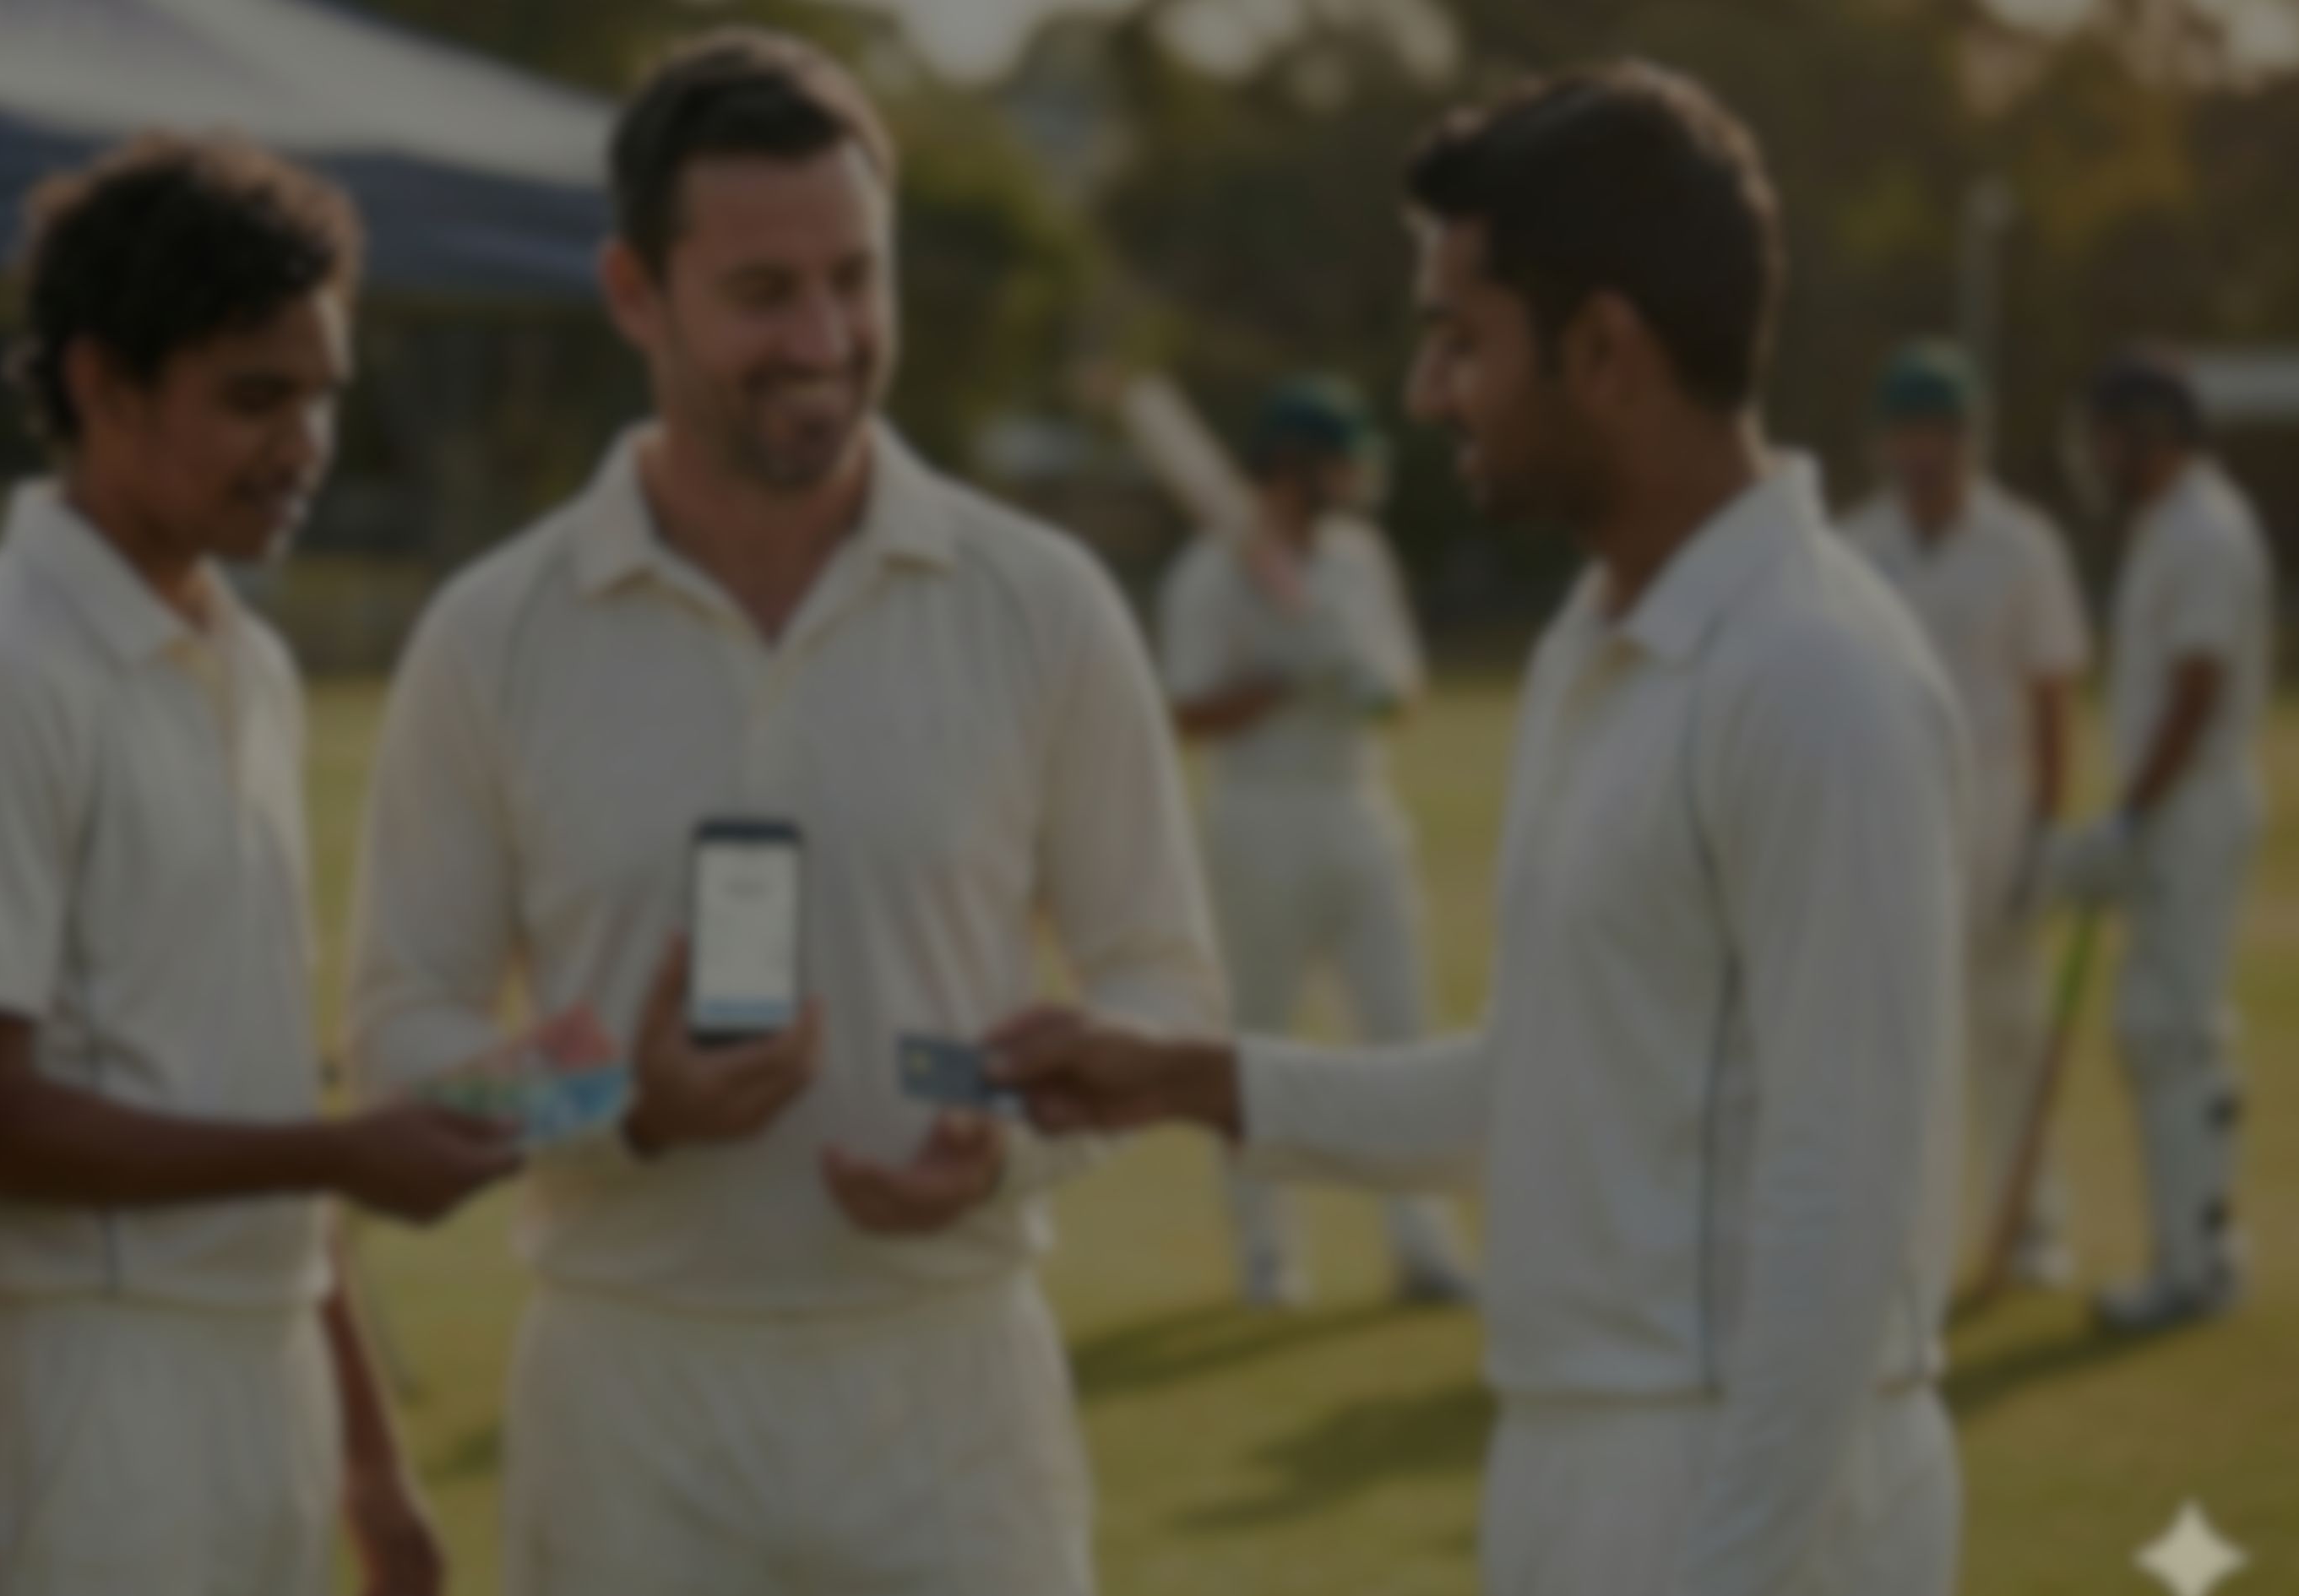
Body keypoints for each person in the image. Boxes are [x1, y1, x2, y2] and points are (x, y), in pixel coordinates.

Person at [990, 62, 1970, 1596]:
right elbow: (1538, 1095)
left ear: (1604, 347)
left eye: (1460, 340)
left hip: (1741, 1481)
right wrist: (1181, 1078)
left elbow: (1839, 1218)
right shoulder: (1593, 649)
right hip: (1578, 1450)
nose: (1427, 392)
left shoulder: (1818, 677)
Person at [345, 30, 1220, 1596]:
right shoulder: (494, 634)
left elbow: (1168, 984)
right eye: (762, 294)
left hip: (953, 1390)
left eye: (855, 279)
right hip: (630, 1404)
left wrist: (1008, 1137)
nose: (823, 337)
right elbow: (402, 1046)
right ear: (635, 294)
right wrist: (619, 1103)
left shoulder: (1046, 604)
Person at [0, 133, 514, 1596]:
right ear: (100, 383)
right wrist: (338, 1154)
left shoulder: (255, 667)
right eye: (252, 397)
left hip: (258, 1380)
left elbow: (265, 1081)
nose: (303, 446)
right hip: (76, 1399)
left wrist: (368, 1458)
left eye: (320, 398)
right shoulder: (0, 673)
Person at [1154, 377, 1475, 1308]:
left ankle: (1424, 1248)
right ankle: (1267, 1257)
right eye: (1337, 460)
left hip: (1360, 808)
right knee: (1258, 1042)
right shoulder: (1209, 573)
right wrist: (1277, 678)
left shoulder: (1359, 558)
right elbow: (1178, 711)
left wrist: (1356, 671)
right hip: (1258, 818)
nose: (1353, 478)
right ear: (1290, 469)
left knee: (1402, 1034)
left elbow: (1404, 696)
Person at [1839, 340, 2092, 1289]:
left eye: (1938, 434)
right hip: (1891, 812)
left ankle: (2032, 1228)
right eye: (1905, 434)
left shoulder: (2024, 543)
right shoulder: (1853, 547)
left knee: (2010, 1031)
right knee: (1897, 1038)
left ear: (1970, 441)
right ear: (1880, 446)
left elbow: (2053, 697)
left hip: (1997, 806)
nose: (1921, 454)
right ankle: (1905, 1237)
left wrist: (2045, 834)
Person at [2050, 351, 2275, 1333]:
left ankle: (2191, 1270)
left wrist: (2130, 819)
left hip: (2190, 808)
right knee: (2179, 1035)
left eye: (2108, 431)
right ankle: (2206, 1249)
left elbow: (2196, 689)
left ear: (2149, 431)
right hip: (2180, 807)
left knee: (2167, 1034)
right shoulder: (2171, 525)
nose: (2097, 452)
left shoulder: (2202, 530)